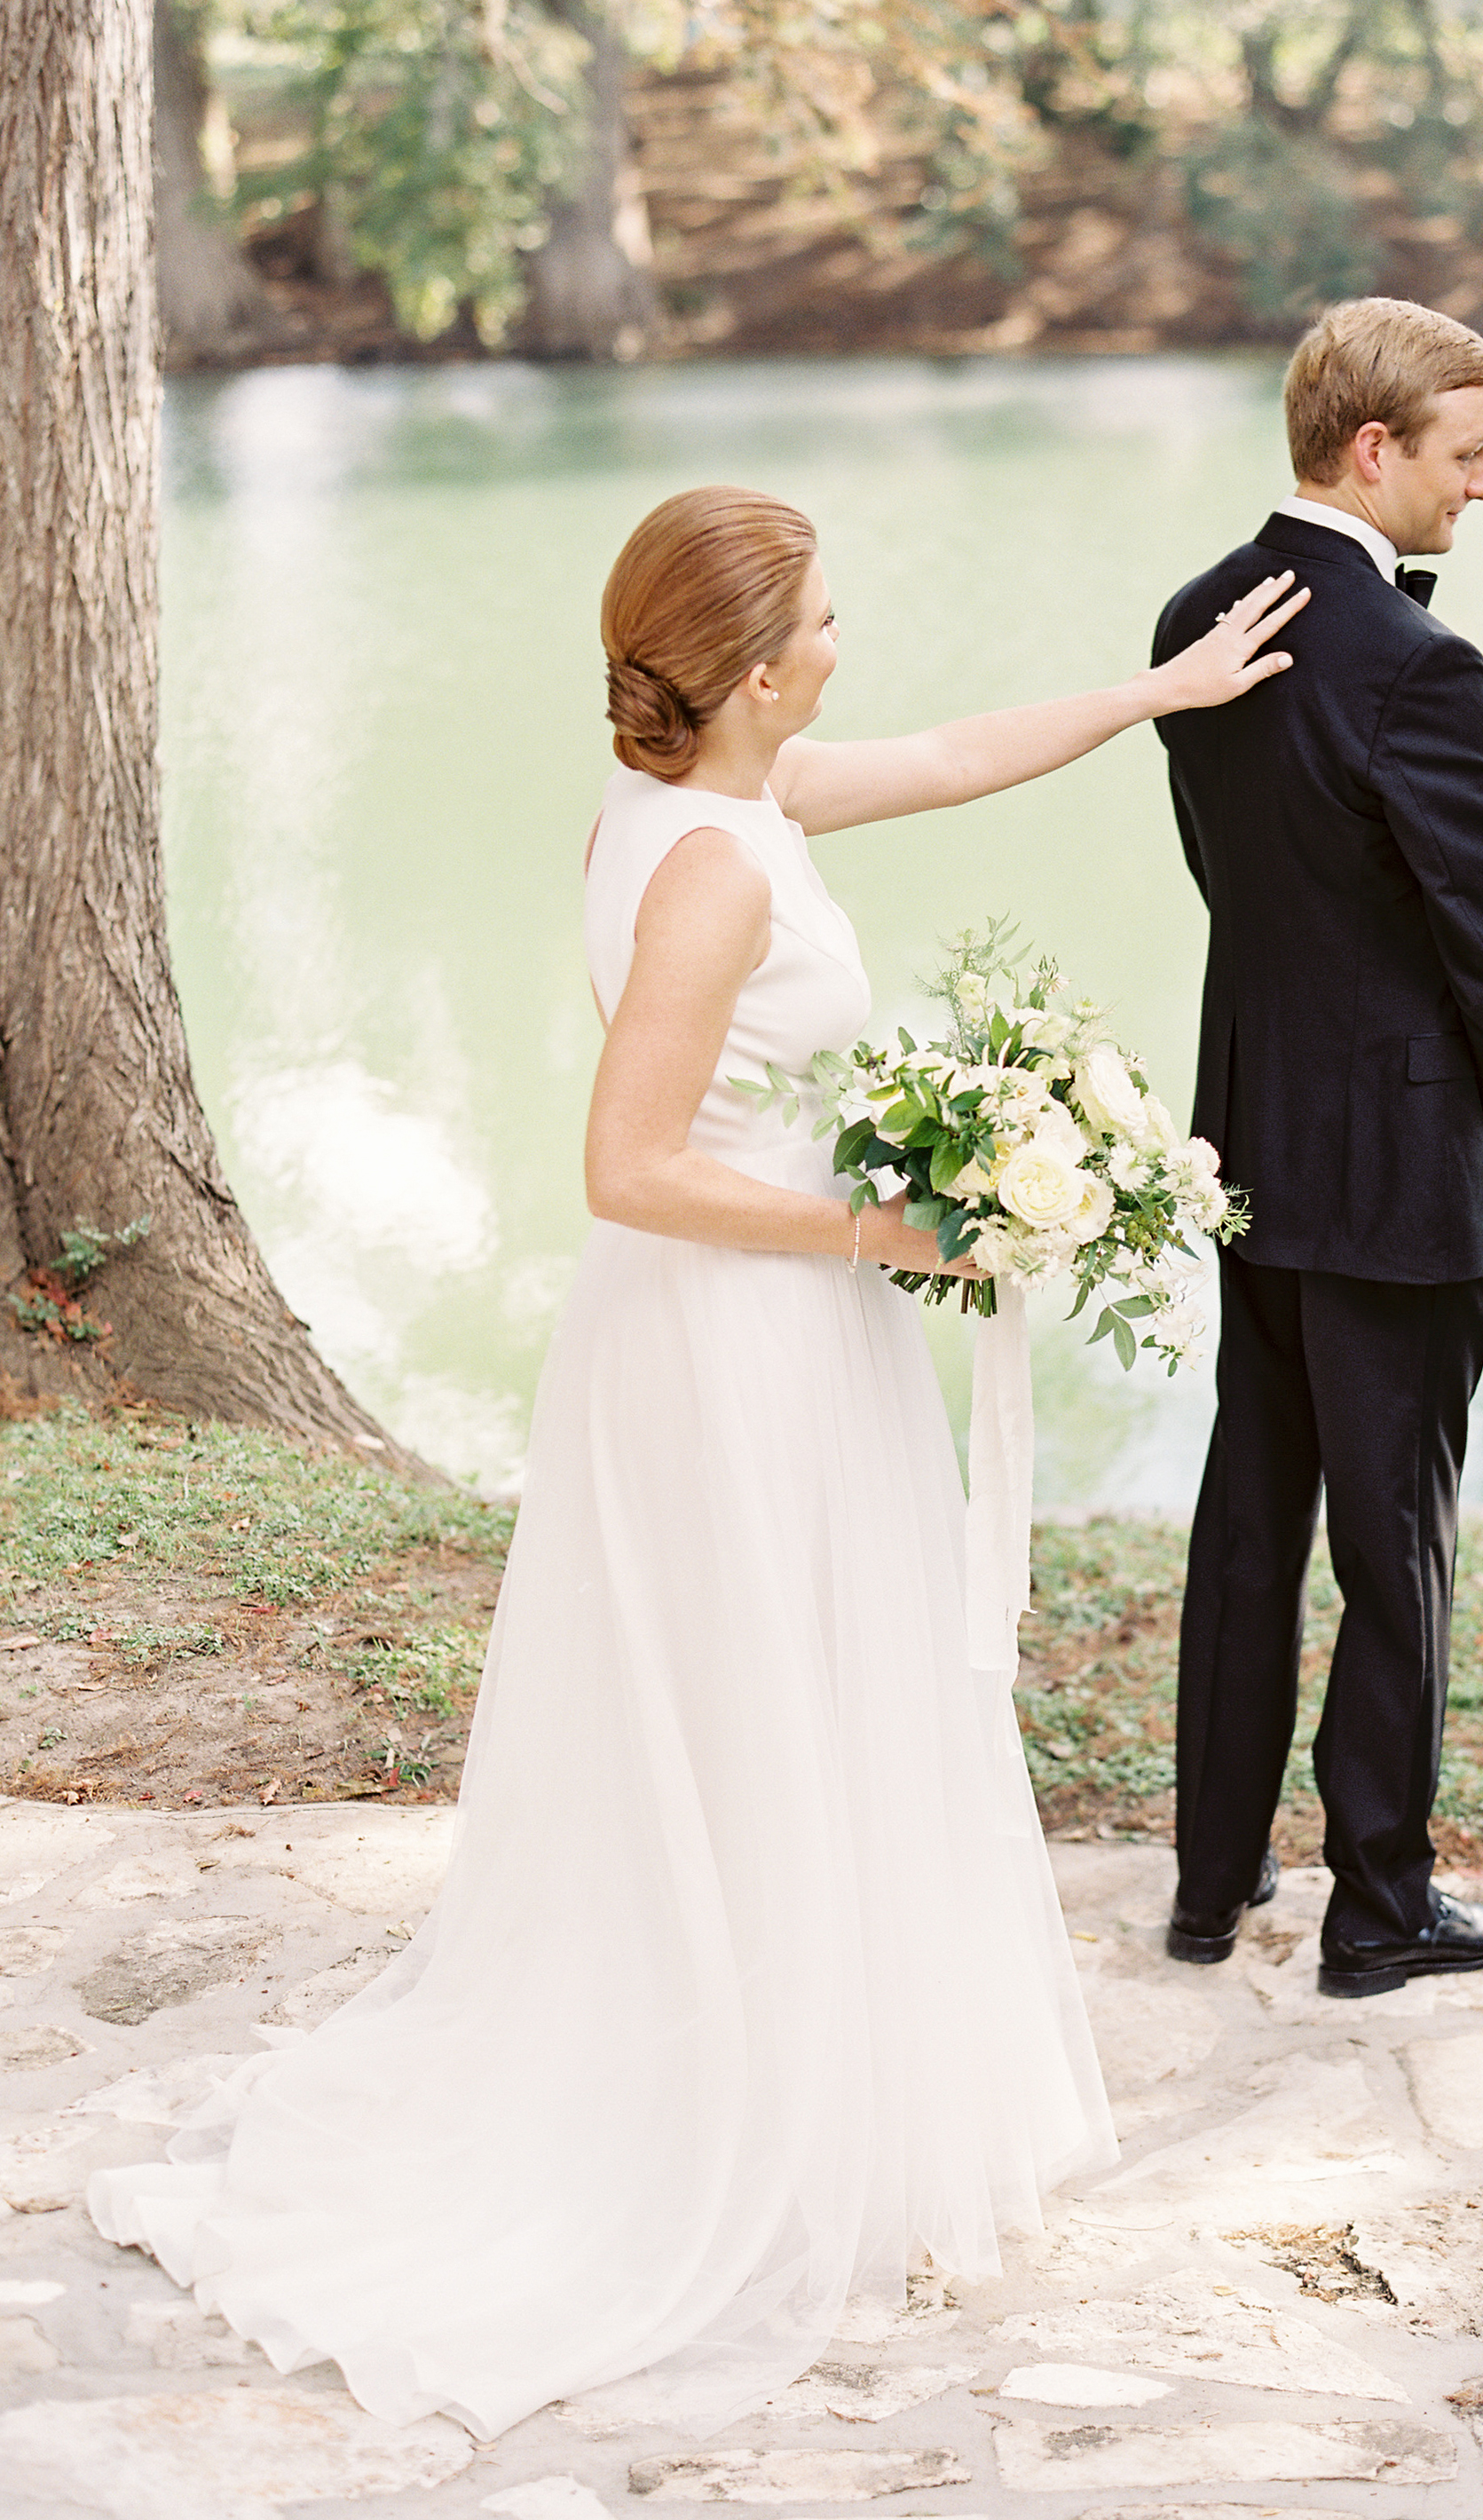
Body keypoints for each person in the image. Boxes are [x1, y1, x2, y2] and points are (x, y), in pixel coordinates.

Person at [90, 485, 1308, 2440]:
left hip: (766, 1332)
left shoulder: (720, 806)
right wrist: (881, 1233)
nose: (845, 637)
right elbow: (624, 1165)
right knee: (756, 1699)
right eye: (821, 619)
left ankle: (795, 2069)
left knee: (780, 1700)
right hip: (735, 1340)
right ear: (748, 671)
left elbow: (943, 756)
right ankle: (728, 2122)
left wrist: (1154, 689)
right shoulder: (713, 874)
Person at [1152, 298, 1483, 1994]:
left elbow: (1235, 879)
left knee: (1251, 1508)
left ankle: (1209, 1876)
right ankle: (1378, 1908)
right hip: (1394, 1164)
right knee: (1390, 1541)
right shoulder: (1415, 663)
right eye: (1466, 456)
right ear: (1373, 448)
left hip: (1248, 1136)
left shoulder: (1194, 618)